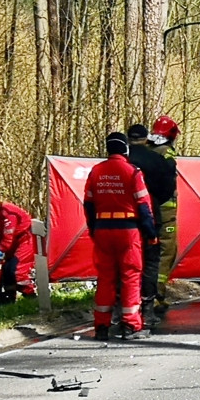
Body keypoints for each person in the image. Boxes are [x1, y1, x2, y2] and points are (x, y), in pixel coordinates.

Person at [84, 132, 157, 340]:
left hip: (102, 229)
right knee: (130, 276)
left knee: (106, 277)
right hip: (127, 230)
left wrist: (93, 229)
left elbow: (88, 204)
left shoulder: (96, 171)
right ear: (125, 149)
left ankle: (101, 326)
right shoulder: (132, 172)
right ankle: (130, 325)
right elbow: (143, 206)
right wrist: (151, 233)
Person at [127, 123, 177, 326]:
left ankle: (127, 306)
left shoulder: (124, 158)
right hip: (159, 212)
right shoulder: (162, 157)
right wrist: (156, 202)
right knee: (160, 254)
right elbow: (168, 183)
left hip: (126, 216)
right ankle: (153, 298)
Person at [147, 115, 180, 313]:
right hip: (165, 210)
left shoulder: (145, 149)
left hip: (147, 208)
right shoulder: (166, 153)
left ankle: (151, 294)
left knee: (150, 252)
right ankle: (156, 295)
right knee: (167, 251)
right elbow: (168, 180)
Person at [0, 193, 37, 303]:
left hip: (25, 242)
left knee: (16, 270)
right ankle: (9, 299)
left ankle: (31, 296)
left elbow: (8, 236)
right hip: (12, 245)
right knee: (6, 271)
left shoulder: (8, 212)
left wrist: (0, 252)